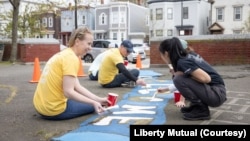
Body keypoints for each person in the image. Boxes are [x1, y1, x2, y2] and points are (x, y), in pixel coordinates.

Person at [33, 27, 109, 120]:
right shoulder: (71, 59)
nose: (90, 48)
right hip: (53, 110)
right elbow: (68, 92)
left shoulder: (65, 54)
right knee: (92, 106)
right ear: (77, 41)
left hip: (40, 105)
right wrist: (94, 103)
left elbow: (77, 87)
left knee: (94, 102)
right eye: (88, 44)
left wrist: (98, 99)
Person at [158, 37, 227, 120]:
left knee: (178, 79)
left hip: (216, 94)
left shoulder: (183, 62)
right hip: (218, 91)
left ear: (166, 53)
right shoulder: (188, 56)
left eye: (161, 54)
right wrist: (180, 75)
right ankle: (196, 107)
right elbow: (190, 82)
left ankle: (201, 110)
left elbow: (206, 79)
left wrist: (183, 74)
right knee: (179, 78)